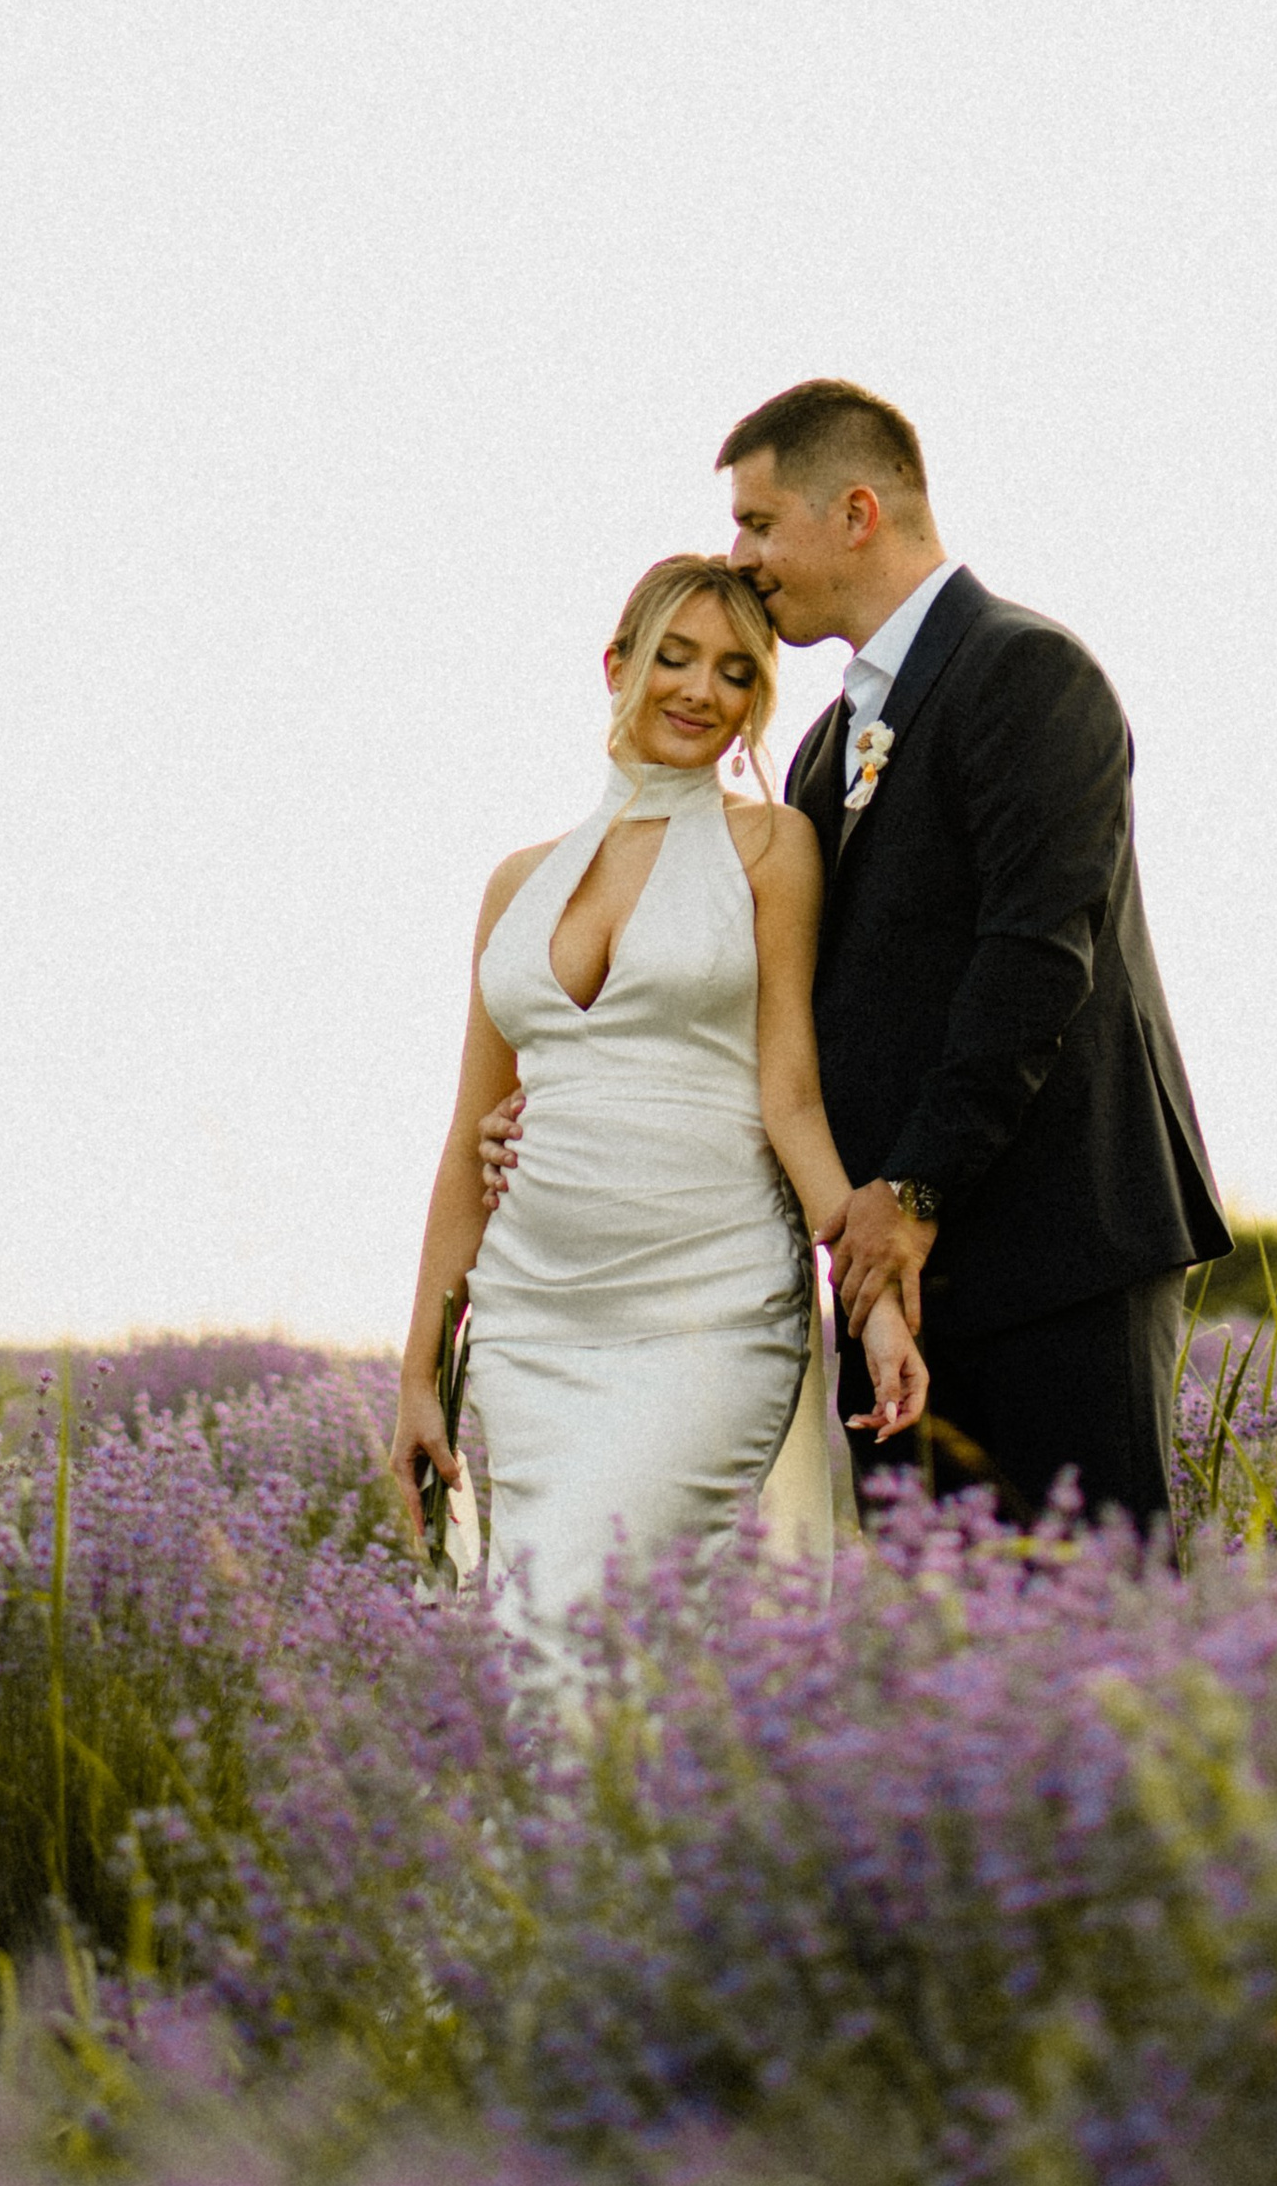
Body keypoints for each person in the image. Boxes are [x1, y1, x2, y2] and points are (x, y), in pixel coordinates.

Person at [486, 387, 1228, 1540]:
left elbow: (1036, 960)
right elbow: (780, 1020)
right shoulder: (827, 749)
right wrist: (574, 1109)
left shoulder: (1028, 673)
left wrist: (917, 1194)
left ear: (857, 512)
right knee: (930, 1677)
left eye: (758, 522)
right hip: (890, 1269)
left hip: (1055, 1249)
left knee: (1092, 1645)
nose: (743, 556)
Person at [388, 553, 927, 1687]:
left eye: (736, 670)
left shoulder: (771, 847)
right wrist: (418, 1376)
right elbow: (464, 1137)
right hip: (535, 1328)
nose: (700, 689)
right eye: (673, 656)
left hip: (707, 1308)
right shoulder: (514, 882)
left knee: (583, 1623)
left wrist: (871, 1298)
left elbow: (789, 1095)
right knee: (541, 1647)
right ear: (616, 665)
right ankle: (593, 1865)